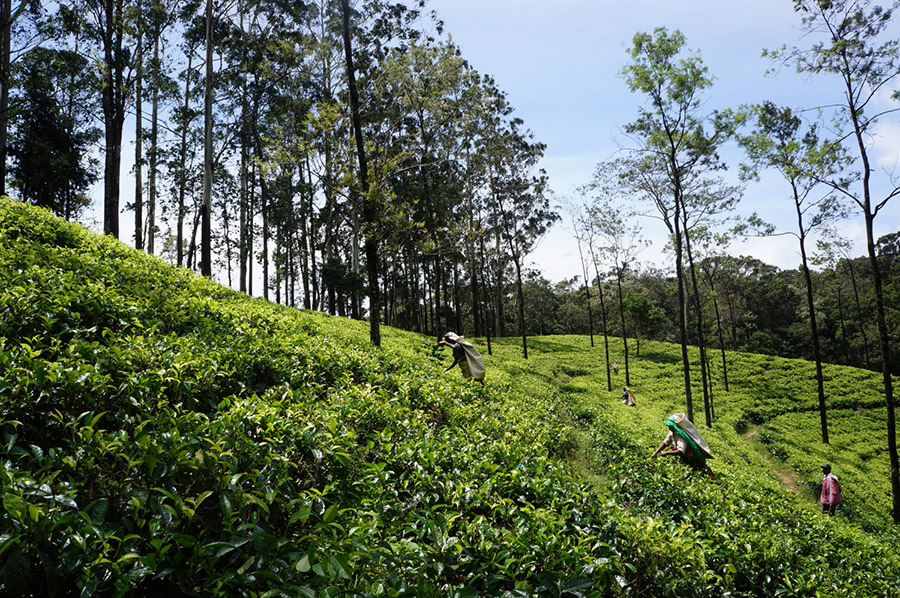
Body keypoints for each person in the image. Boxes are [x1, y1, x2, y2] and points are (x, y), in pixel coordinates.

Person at [650, 413, 714, 480]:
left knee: (698, 474)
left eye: (670, 426)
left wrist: (666, 453)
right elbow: (666, 442)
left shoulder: (681, 436)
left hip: (692, 458)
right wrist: (655, 452)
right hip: (685, 457)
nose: (669, 428)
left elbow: (681, 451)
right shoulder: (672, 431)